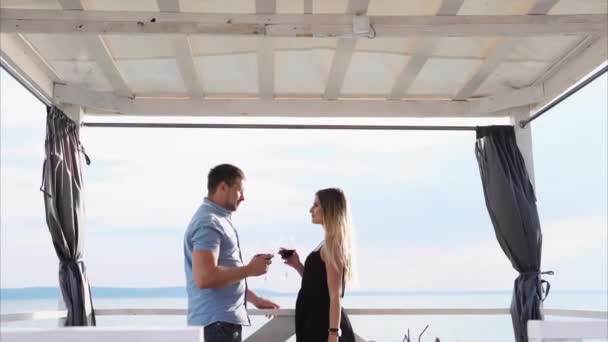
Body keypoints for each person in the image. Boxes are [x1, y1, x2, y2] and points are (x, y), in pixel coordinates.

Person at [184, 164, 279, 342]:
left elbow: (223, 274)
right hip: (217, 325)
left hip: (220, 323)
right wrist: (250, 269)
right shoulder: (209, 222)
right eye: (239, 191)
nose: (243, 197)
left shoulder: (217, 219)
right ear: (223, 187)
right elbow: (206, 277)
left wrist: (254, 299)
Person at [282, 188, 356, 342]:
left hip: (322, 327)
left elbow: (335, 295)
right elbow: (317, 285)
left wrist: (333, 334)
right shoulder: (327, 244)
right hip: (313, 322)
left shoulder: (333, 246)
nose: (311, 210)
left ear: (329, 209)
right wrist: (298, 266)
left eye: (315, 205)